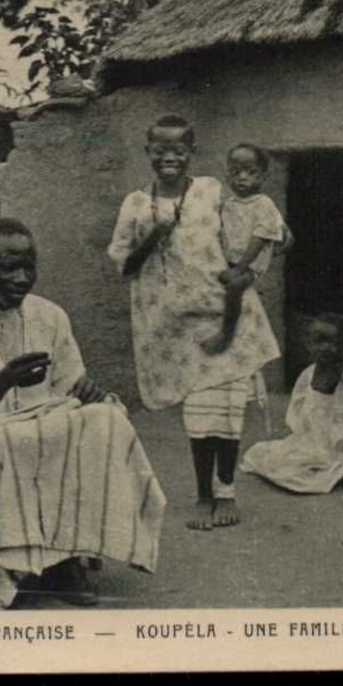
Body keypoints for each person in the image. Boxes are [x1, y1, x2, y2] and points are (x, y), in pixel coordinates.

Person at [0, 217, 165, 609]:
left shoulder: (50, 315)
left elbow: (72, 387)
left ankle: (64, 560)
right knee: (13, 440)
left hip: (44, 442)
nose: (20, 278)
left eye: (28, 267)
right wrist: (1, 383)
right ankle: (2, 571)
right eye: (7, 267)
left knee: (105, 422)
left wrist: (99, 401)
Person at [109, 115, 282, 532]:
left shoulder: (210, 191)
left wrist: (250, 268)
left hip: (227, 316)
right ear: (147, 152)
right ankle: (205, 493)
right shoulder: (135, 204)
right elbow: (125, 266)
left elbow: (254, 228)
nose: (170, 157)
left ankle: (225, 492)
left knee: (226, 411)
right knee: (199, 417)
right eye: (160, 150)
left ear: (192, 153)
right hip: (178, 332)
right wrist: (152, 235)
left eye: (179, 150)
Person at [241, 314, 343, 494]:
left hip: (338, 446)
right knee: (258, 454)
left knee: (299, 474)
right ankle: (335, 470)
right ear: (308, 345)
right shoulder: (308, 374)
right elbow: (297, 410)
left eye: (332, 342)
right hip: (311, 441)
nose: (325, 348)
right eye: (319, 341)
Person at [204, 142, 292, 358]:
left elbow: (259, 240)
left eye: (250, 172)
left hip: (249, 267)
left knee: (234, 287)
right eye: (236, 172)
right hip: (229, 262)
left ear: (262, 176)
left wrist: (239, 269)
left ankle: (225, 334)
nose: (242, 177)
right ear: (228, 176)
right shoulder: (229, 204)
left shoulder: (264, 204)